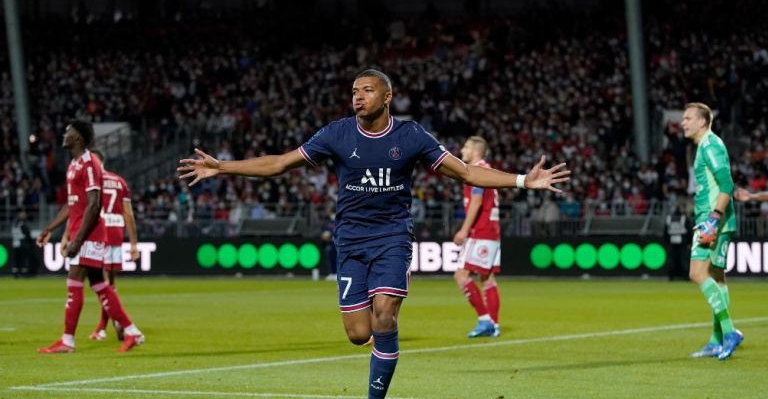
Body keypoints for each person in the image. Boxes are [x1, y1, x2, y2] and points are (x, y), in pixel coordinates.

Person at [177, 69, 569, 398]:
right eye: (353, 91)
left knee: (384, 316)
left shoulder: (411, 136)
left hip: (392, 238)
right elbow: (280, 163)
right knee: (357, 333)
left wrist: (521, 180)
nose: (357, 97)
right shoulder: (337, 134)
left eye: (366, 91)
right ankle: (382, 335)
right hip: (350, 241)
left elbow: (467, 173)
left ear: (387, 97)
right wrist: (223, 167)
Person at [35, 120, 144, 353]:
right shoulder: (74, 164)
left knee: (74, 283)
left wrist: (78, 240)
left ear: (79, 137)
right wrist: (49, 228)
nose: (64, 133)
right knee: (101, 285)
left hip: (90, 234)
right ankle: (132, 332)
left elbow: (95, 205)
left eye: (68, 130)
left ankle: (68, 341)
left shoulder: (89, 162)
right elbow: (71, 204)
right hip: (82, 233)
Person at [680, 102, 742, 360]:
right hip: (718, 220)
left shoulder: (710, 145)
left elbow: (727, 183)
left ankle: (729, 333)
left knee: (697, 273)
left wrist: (714, 218)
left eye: (688, 118)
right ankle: (717, 339)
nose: (683, 122)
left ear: (702, 122)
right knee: (717, 277)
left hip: (712, 221)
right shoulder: (705, 145)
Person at [61, 150, 140, 341]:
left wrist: (66, 235)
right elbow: (128, 214)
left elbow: (79, 210)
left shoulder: (91, 180)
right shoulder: (120, 181)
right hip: (117, 233)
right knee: (108, 284)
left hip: (98, 233)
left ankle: (108, 328)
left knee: (99, 284)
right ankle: (116, 326)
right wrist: (133, 242)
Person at [452, 136, 502, 338]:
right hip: (492, 231)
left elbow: (477, 201)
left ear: (475, 150)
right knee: (487, 278)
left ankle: (484, 320)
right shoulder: (488, 169)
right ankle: (494, 325)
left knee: (461, 275)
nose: (462, 150)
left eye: (465, 147)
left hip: (480, 231)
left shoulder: (478, 170)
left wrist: (464, 230)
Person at [11, 210, 37, 278]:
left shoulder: (14, 224)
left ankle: (15, 273)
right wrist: (31, 243)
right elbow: (27, 234)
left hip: (15, 244)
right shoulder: (22, 225)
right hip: (22, 244)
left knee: (16, 260)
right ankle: (23, 274)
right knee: (23, 259)